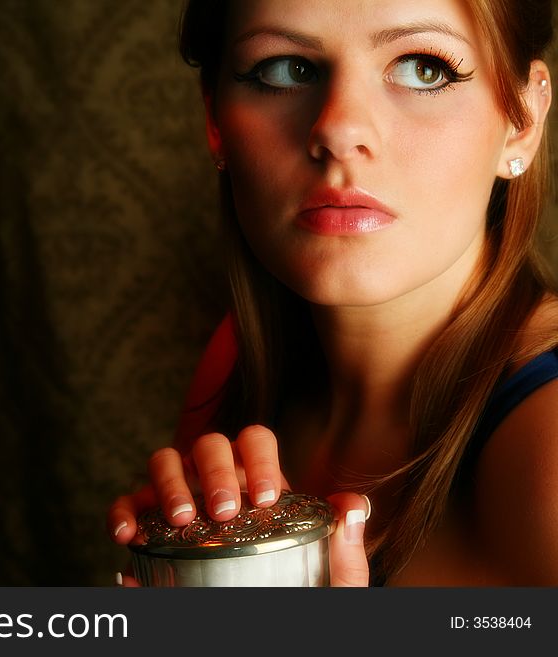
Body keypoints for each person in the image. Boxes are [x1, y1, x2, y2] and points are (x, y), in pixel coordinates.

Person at [107, 0, 558, 586]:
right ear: (214, 119)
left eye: (424, 68)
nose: (340, 129)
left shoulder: (545, 454)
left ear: (522, 118)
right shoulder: (235, 360)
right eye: (284, 69)